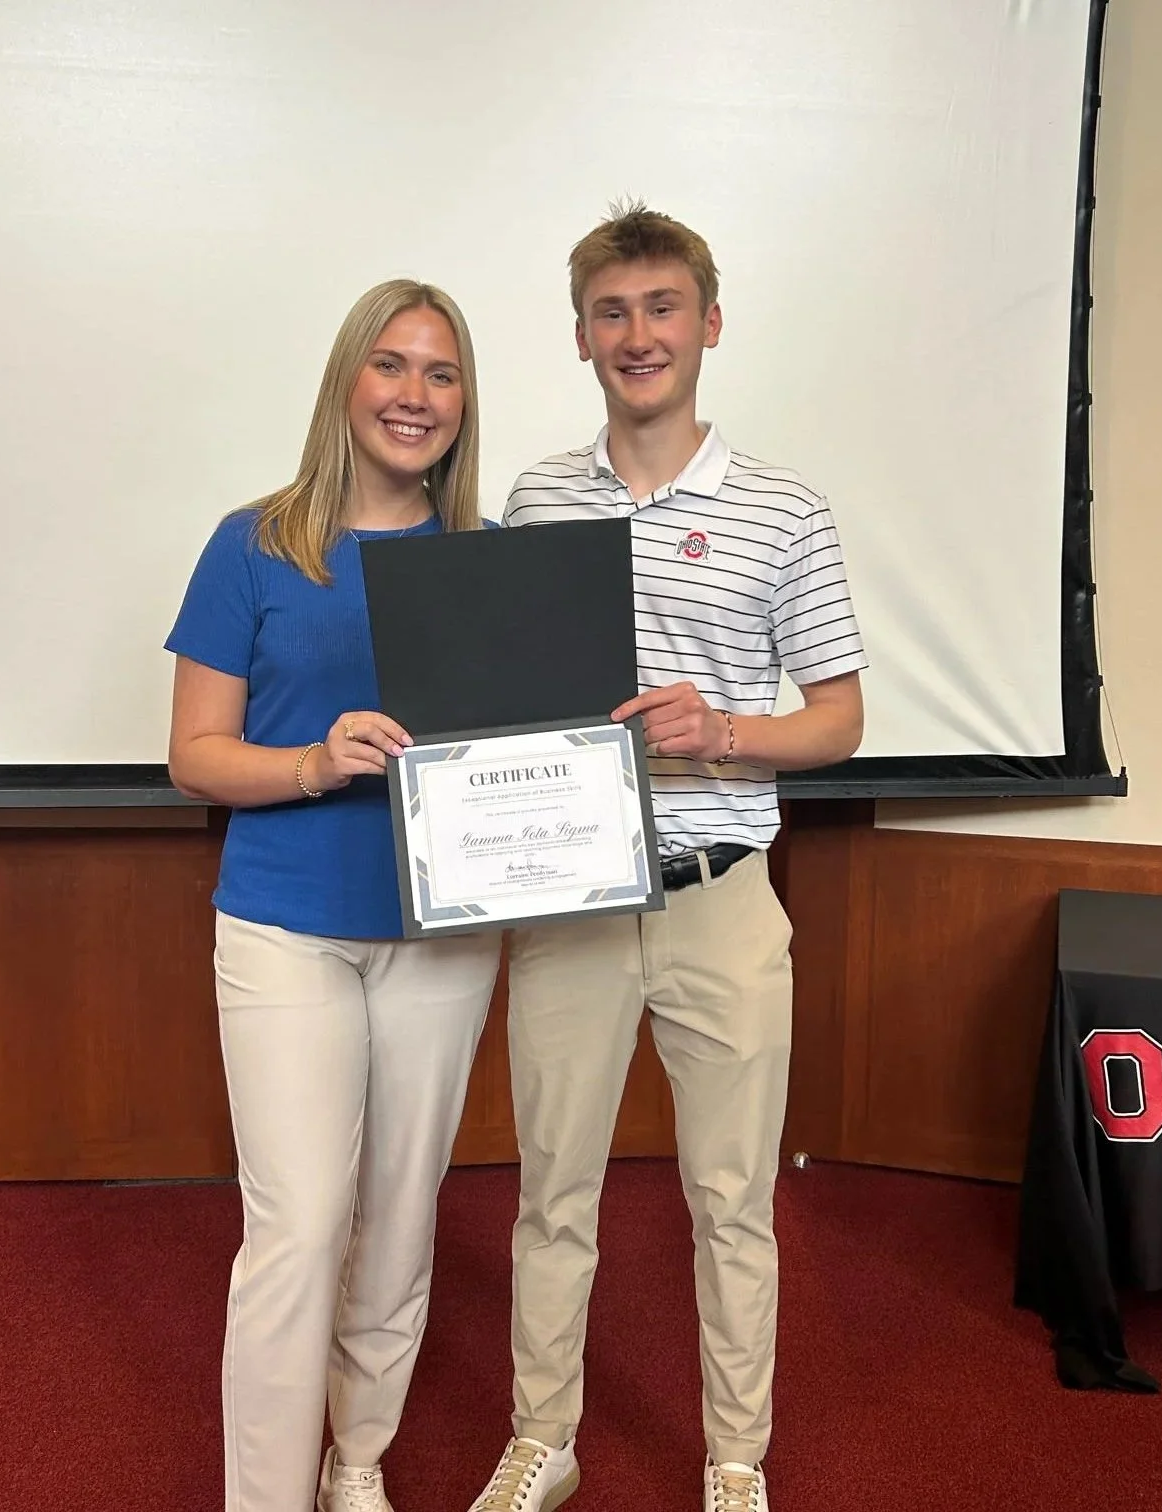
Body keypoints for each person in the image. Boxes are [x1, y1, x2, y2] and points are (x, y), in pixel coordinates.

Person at [467, 206, 867, 1512]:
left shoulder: (783, 510)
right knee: (552, 1194)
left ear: (707, 321)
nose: (638, 335)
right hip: (572, 904)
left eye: (661, 307)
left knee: (732, 1201)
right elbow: (505, 697)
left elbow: (840, 717)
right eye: (612, 311)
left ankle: (734, 1462)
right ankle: (546, 1440)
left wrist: (727, 732)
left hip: (722, 903)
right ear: (582, 334)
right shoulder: (537, 497)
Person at [166, 278, 502, 1512]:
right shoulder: (251, 544)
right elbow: (194, 753)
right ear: (347, 381)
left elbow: (528, 749)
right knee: (300, 1230)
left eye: (442, 374)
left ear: (464, 405)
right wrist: (312, 763)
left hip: (442, 934)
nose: (415, 396)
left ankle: (355, 1464)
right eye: (393, 366)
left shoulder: (484, 563)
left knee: (400, 1224)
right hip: (282, 928)